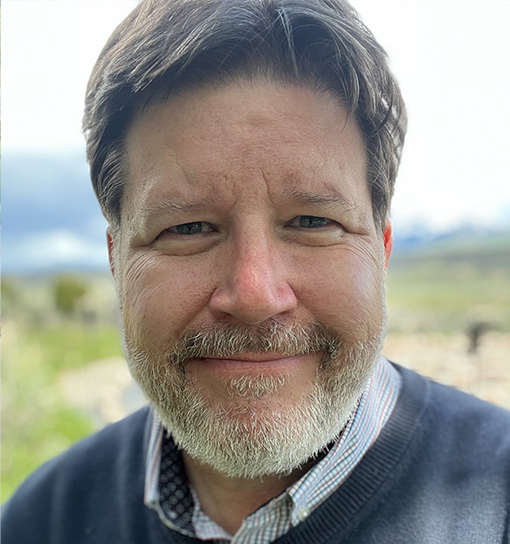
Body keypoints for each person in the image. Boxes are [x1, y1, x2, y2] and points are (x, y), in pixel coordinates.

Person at [2, 0, 509, 542]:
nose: (254, 294)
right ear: (117, 260)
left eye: (313, 220)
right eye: (188, 228)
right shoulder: (41, 521)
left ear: (381, 250)